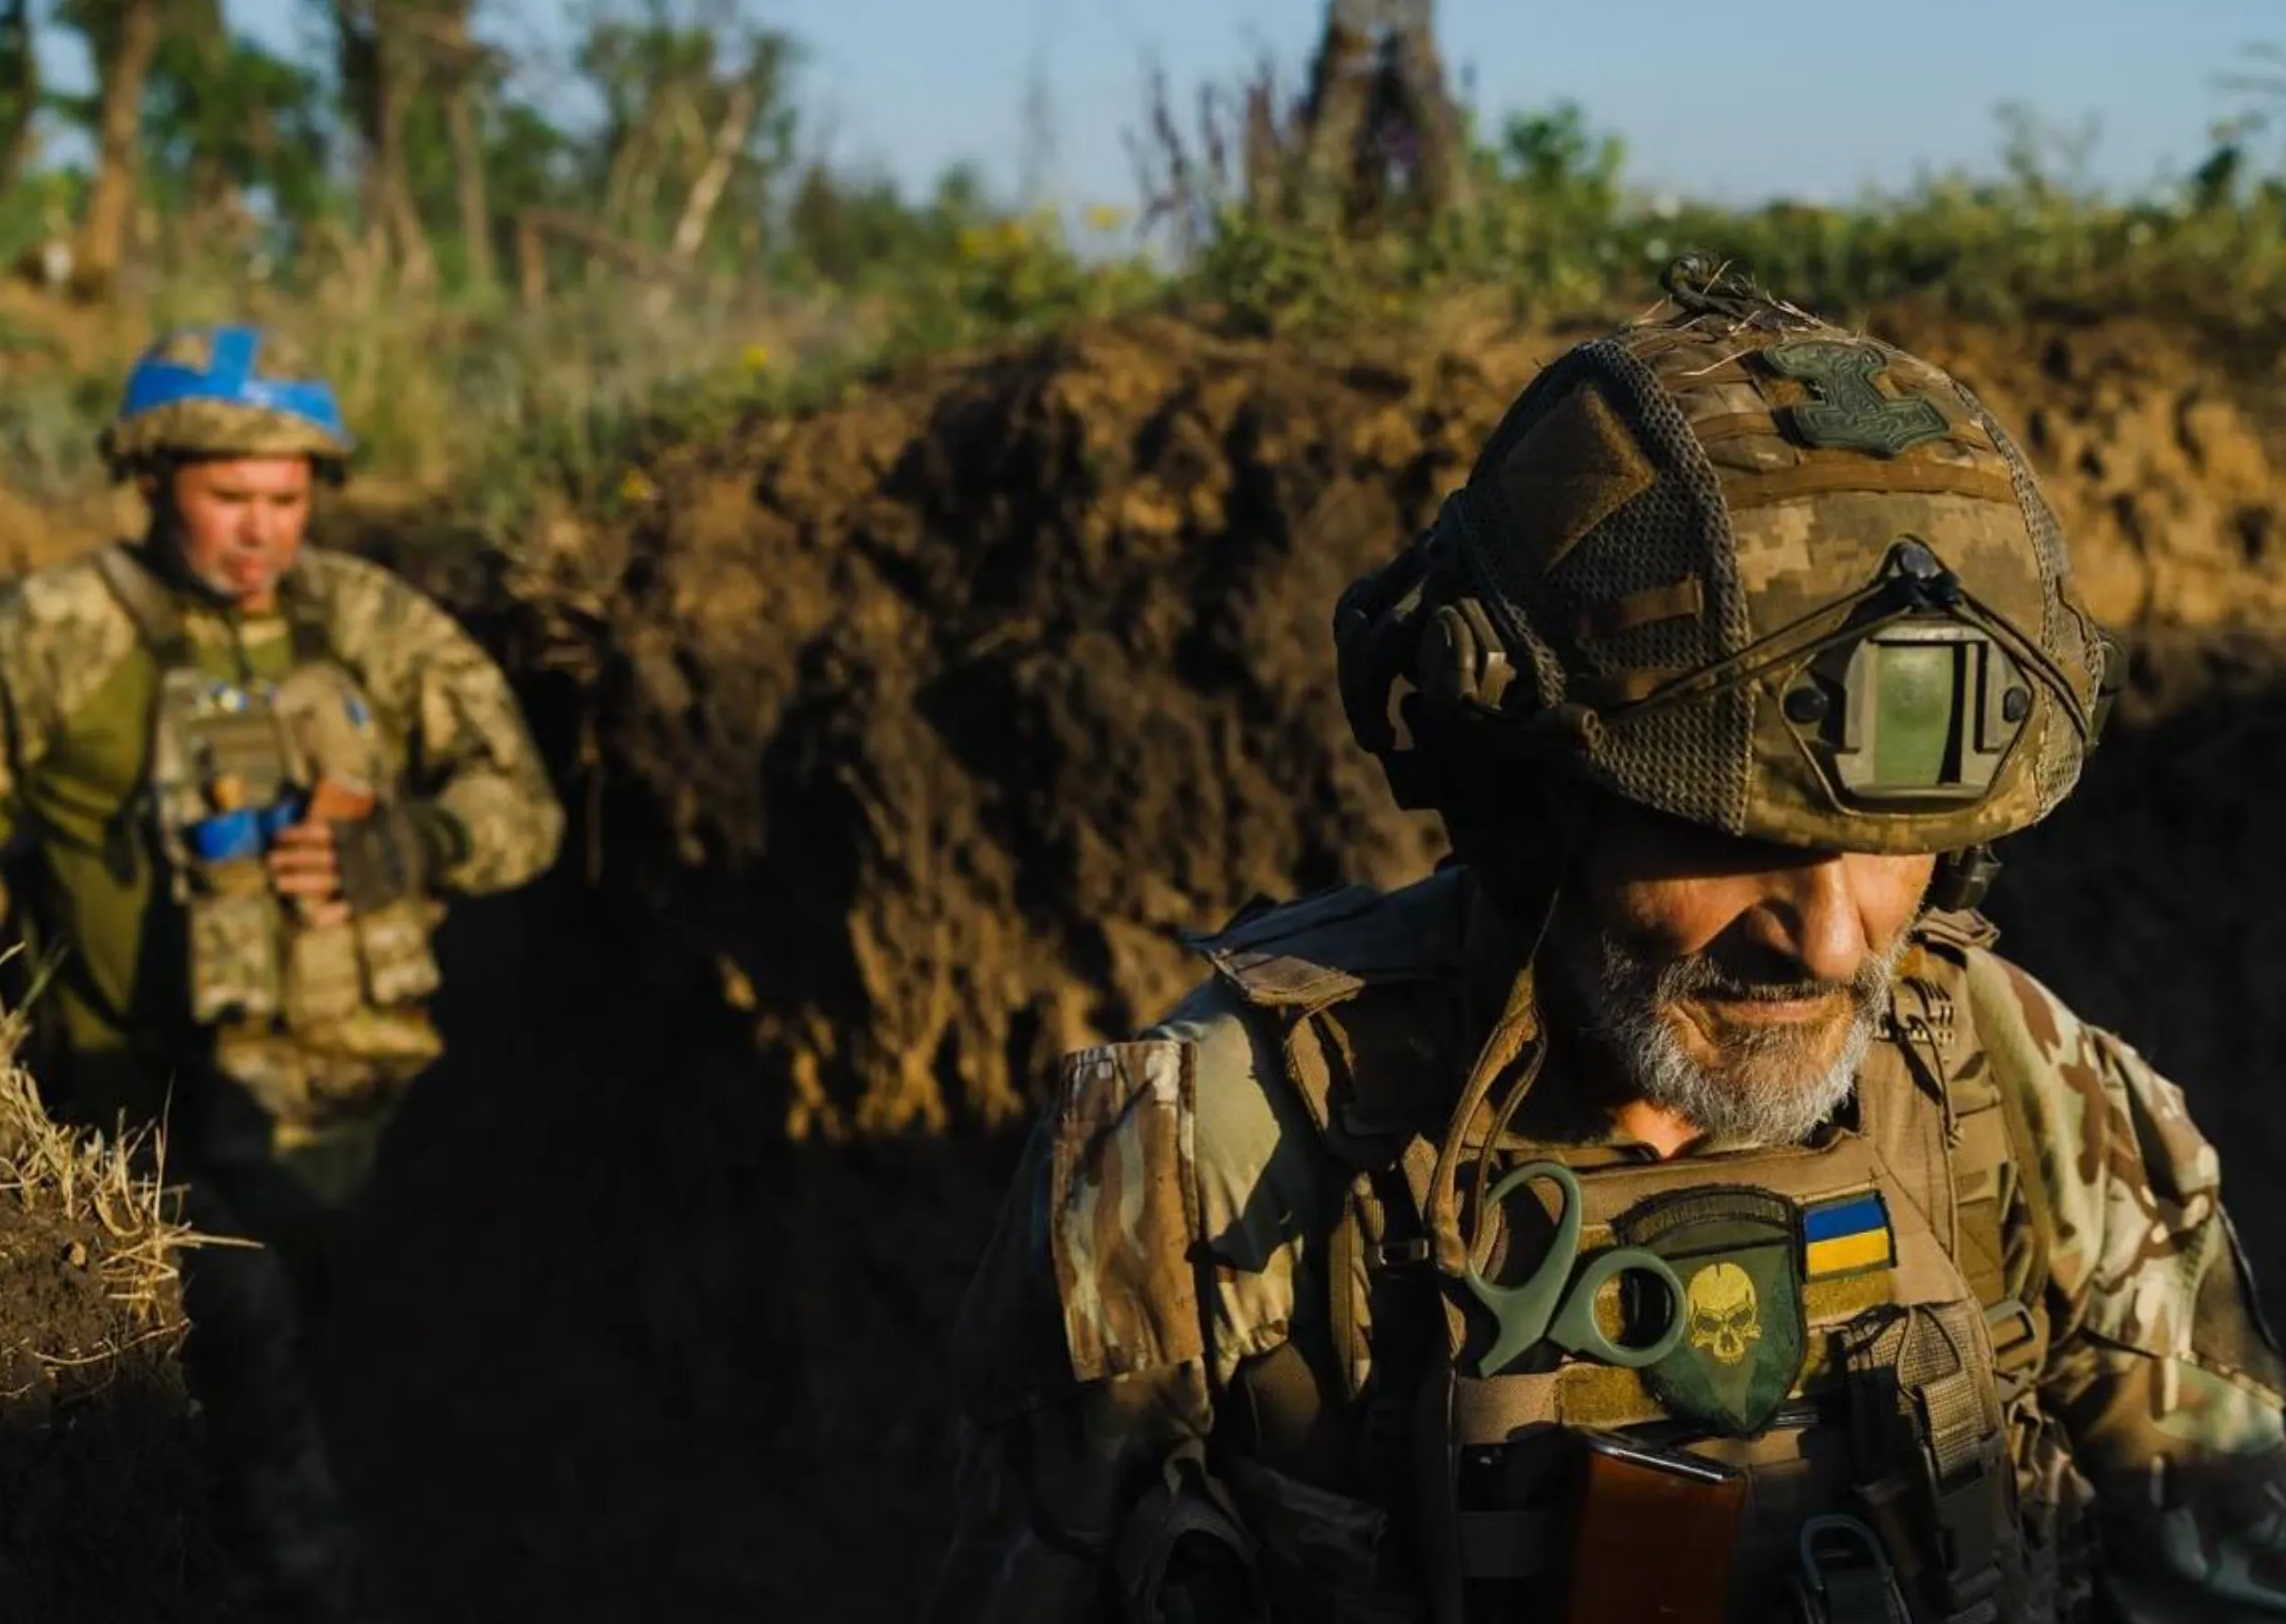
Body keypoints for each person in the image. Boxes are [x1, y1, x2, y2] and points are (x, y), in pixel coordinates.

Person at [929, 266, 2286, 1624]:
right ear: (1534, 804)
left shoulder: (2021, 1088)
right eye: (1736, 837)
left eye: (1893, 845)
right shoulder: (1196, 1156)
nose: (1828, 940)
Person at [0, 325, 565, 1621]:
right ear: (153, 478)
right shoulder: (61, 633)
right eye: (228, 495)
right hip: (140, 1130)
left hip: (369, 1130)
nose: (261, 528)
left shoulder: (368, 621)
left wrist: (407, 842)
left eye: (287, 498)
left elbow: (523, 810)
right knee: (235, 1460)